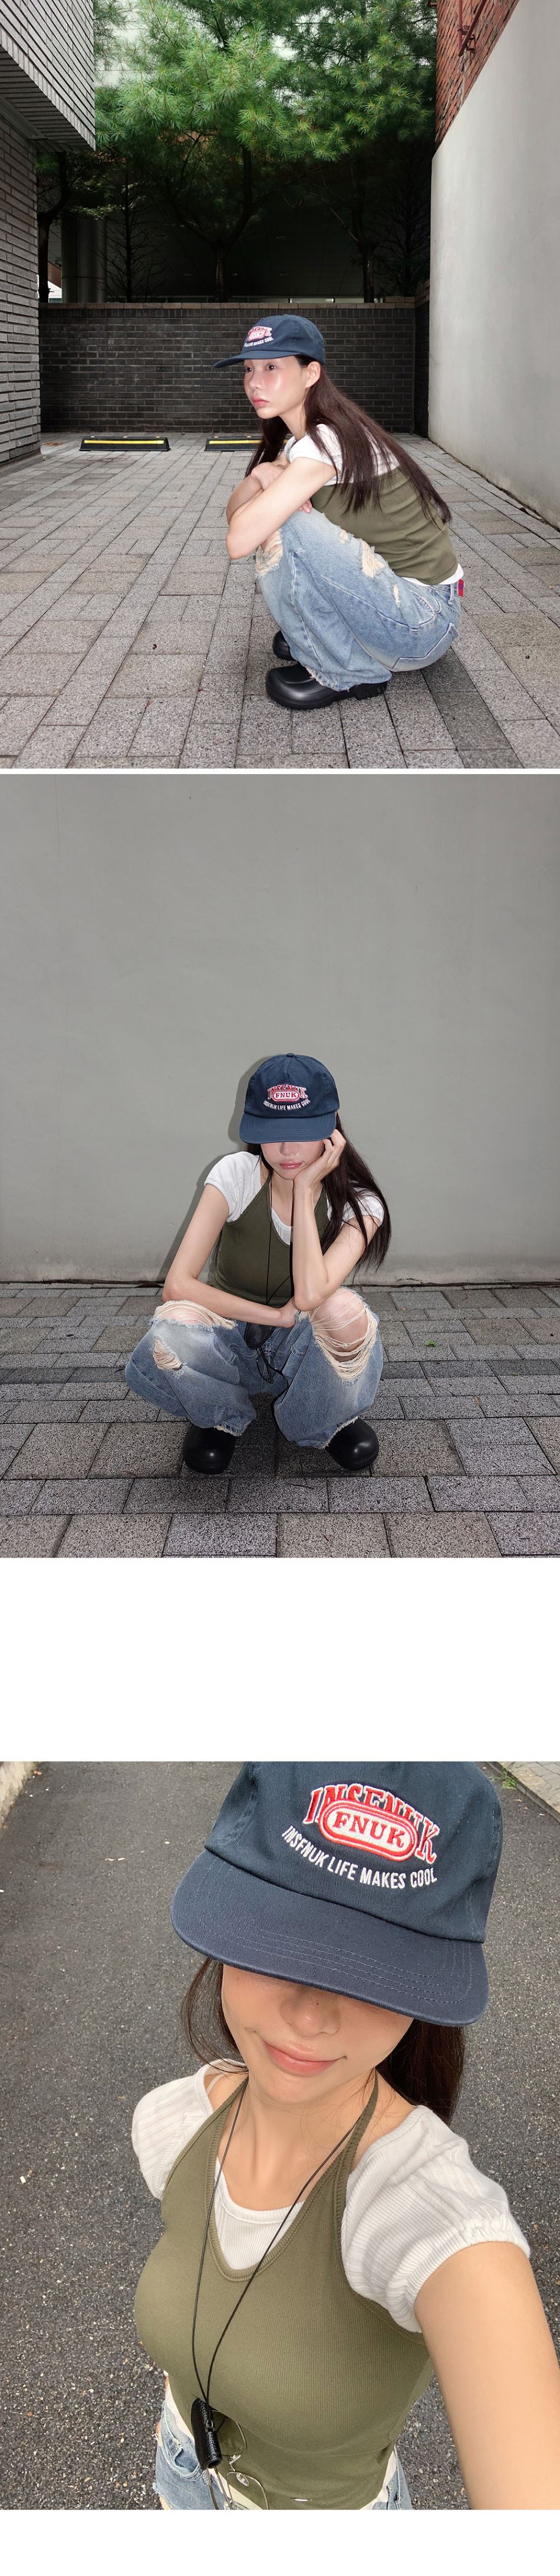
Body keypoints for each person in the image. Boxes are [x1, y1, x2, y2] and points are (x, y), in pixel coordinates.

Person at [131, 1762, 560, 2512]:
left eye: (373, 1968)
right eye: (276, 1940)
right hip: (180, 2469)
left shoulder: (431, 2217)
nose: (310, 2014)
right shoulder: (174, 2124)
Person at [124, 1054, 390, 1476]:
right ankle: (219, 1416)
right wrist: (274, 1316)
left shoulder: (360, 1204)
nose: (287, 1150)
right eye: (273, 1132)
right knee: (173, 1328)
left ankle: (323, 1419)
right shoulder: (236, 1175)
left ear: (332, 1129)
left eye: (301, 1133)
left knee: (345, 1311)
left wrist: (304, 1193)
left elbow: (310, 1295)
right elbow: (177, 1285)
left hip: (303, 1349)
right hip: (229, 1339)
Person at [217, 313, 463, 712]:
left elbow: (239, 540)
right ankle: (325, 638)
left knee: (286, 523)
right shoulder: (308, 438)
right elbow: (236, 516)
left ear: (311, 373)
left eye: (272, 367)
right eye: (248, 369)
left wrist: (267, 497)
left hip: (423, 622)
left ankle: (347, 670)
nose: (254, 382)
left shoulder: (326, 442)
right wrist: (260, 476)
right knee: (275, 515)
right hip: (404, 607)